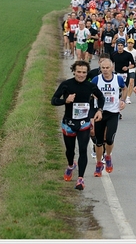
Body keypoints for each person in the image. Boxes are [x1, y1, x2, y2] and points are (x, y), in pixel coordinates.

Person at [51, 61, 105, 190]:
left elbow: (101, 97)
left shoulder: (90, 86)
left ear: (87, 73)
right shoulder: (66, 85)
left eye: (84, 72)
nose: (81, 75)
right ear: (74, 71)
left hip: (84, 123)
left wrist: (99, 110)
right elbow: (53, 100)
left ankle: (80, 179)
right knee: (70, 151)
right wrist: (66, 100)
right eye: (79, 72)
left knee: (82, 150)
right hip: (69, 123)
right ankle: (71, 165)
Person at [91, 58, 127, 177]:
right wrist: (93, 96)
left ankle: (108, 156)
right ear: (100, 68)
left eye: (107, 68)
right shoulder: (97, 79)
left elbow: (124, 88)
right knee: (99, 141)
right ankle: (98, 164)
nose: (105, 70)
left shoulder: (118, 79)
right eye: (103, 68)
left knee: (110, 138)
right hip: (100, 113)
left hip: (113, 112)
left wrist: (122, 100)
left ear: (112, 68)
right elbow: (89, 91)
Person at [124, 38, 136, 104]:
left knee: (131, 82)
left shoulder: (135, 52)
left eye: (131, 43)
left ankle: (128, 97)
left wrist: (135, 65)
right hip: (124, 70)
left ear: (133, 44)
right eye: (129, 43)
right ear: (127, 43)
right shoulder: (124, 50)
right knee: (124, 84)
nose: (130, 45)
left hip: (132, 69)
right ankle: (123, 96)